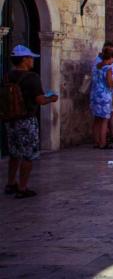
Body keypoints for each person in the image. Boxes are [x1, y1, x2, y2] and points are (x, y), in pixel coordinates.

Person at [3, 45, 58, 199]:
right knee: (28, 155)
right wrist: (51, 98)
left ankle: (10, 183)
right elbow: (40, 100)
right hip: (26, 120)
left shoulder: (8, 76)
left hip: (11, 119)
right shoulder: (31, 77)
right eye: (30, 58)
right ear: (24, 60)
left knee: (14, 153)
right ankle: (22, 187)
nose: (32, 60)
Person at [91, 49, 113, 149]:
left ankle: (96, 142)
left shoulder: (96, 67)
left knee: (97, 119)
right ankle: (103, 143)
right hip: (104, 96)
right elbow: (110, 84)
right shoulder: (108, 69)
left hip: (95, 95)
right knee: (105, 120)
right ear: (110, 58)